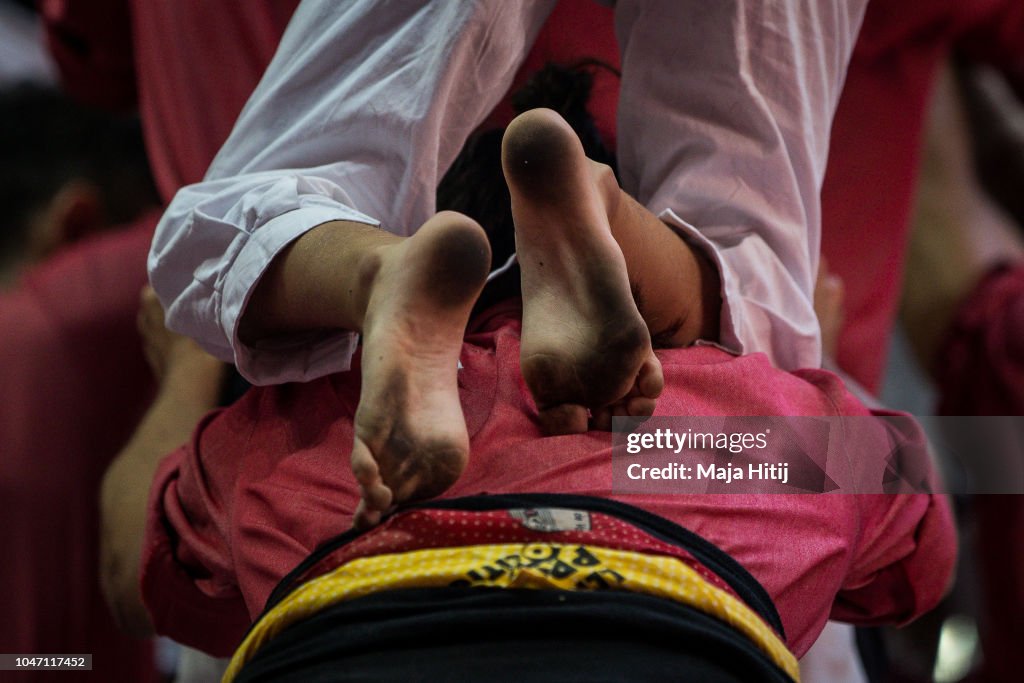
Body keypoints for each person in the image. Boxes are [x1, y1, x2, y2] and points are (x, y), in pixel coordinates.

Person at [101, 112, 956, 681]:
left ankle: (373, 270)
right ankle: (618, 220)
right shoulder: (714, 427)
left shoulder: (321, 421)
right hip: (652, 587)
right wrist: (806, 360)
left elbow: (129, 576)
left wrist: (184, 370)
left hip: (364, 591)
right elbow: (925, 537)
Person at [148, 0, 869, 520]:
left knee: (280, 184)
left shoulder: (320, 450)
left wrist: (180, 386)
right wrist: (815, 394)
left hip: (388, 531)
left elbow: (146, 563)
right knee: (747, 235)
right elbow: (900, 494)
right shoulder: (714, 455)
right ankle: (608, 210)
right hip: (664, 475)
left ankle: (373, 270)